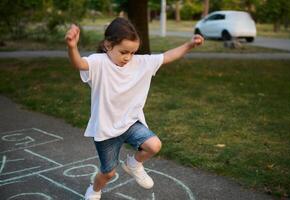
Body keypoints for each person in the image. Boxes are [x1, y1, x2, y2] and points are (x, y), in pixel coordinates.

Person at [65, 17, 204, 200]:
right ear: (108, 45)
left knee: (154, 145)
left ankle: (134, 164)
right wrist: (72, 47)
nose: (128, 57)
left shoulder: (140, 63)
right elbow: (79, 64)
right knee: (108, 173)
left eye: (132, 52)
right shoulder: (98, 63)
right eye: (124, 52)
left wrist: (189, 45)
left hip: (130, 123)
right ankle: (95, 190)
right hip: (106, 130)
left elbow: (168, 56)